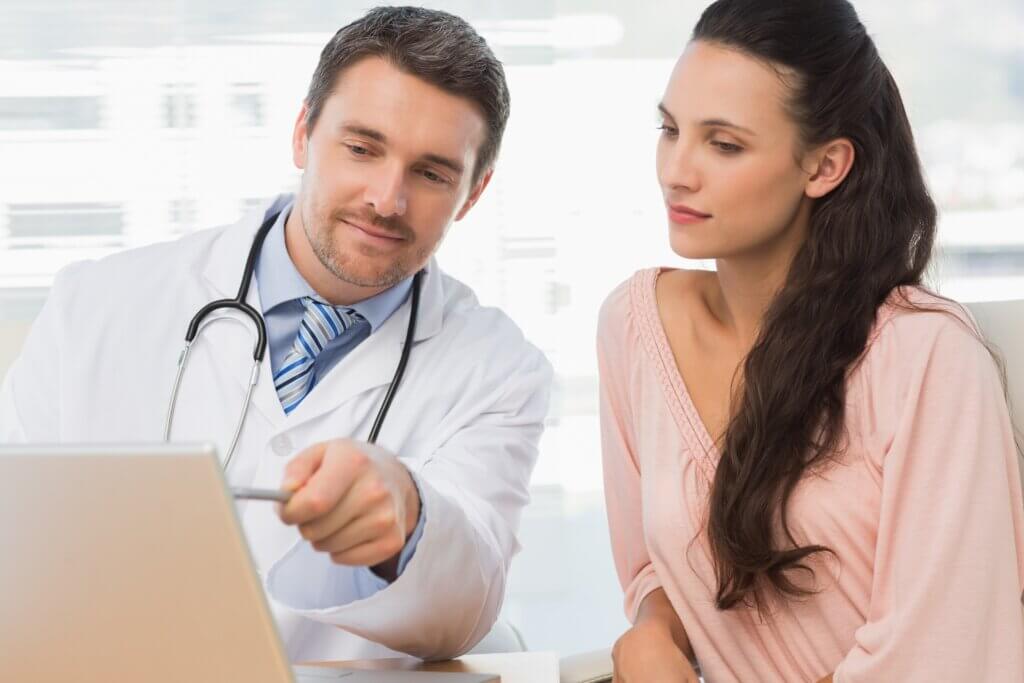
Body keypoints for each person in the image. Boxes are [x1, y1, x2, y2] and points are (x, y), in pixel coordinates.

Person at [0, 6, 552, 663]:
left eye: (431, 173)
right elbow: (15, 541)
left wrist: (407, 520)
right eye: (362, 147)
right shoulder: (93, 305)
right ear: (302, 134)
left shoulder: (500, 370)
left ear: (473, 192)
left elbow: (468, 600)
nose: (386, 198)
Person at [597, 1, 1024, 681]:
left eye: (724, 143)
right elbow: (654, 567)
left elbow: (945, 650)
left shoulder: (926, 360)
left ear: (824, 166)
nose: (677, 170)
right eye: (670, 128)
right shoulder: (631, 326)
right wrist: (650, 634)